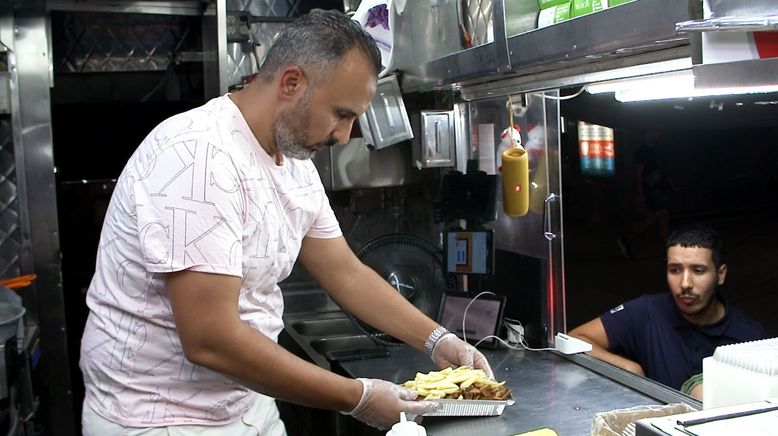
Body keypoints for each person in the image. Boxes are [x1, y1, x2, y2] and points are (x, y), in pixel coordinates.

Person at [79, 10, 492, 435]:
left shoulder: (294, 162)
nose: (344, 136)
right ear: (291, 83)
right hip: (158, 417)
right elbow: (209, 339)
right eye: (340, 113)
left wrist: (437, 339)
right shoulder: (198, 158)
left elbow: (345, 272)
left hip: (244, 403)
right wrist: (360, 398)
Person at [570, 224, 767, 391]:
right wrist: (629, 371)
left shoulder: (750, 338)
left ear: (721, 274)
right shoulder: (646, 312)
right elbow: (575, 339)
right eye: (675, 270)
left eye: (698, 271)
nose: (685, 283)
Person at [617, 131, 675, 260]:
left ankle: (626, 239)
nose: (658, 134)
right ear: (647, 134)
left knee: (654, 218)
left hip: (656, 188)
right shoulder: (643, 151)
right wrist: (640, 193)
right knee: (663, 216)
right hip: (651, 189)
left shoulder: (655, 149)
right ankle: (665, 251)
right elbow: (638, 172)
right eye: (655, 132)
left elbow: (660, 169)